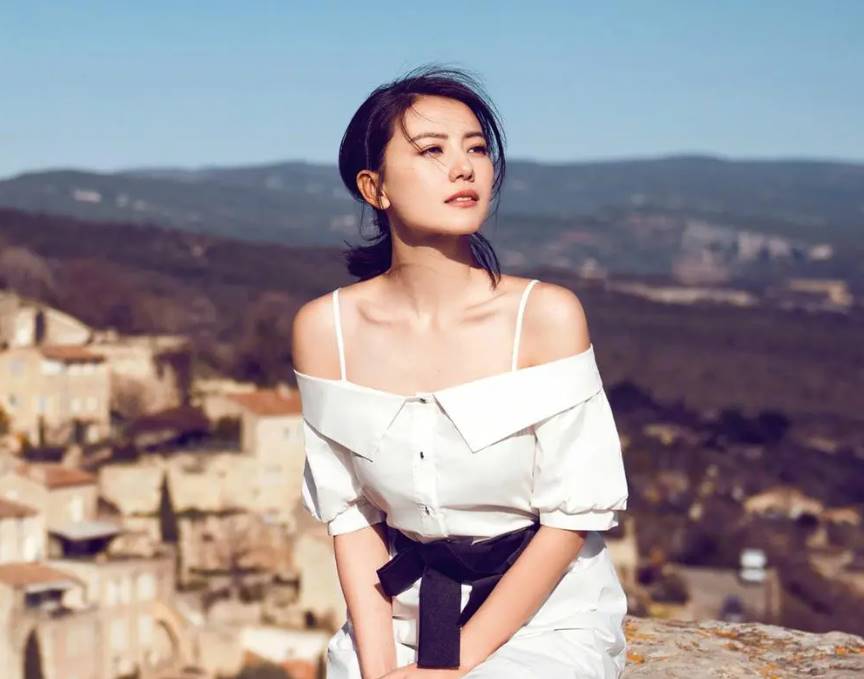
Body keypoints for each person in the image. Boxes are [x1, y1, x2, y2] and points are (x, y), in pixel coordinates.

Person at [291, 65, 629, 679]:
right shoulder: (325, 331)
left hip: (543, 619)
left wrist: (448, 666)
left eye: (476, 148)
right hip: (401, 614)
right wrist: (378, 670)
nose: (464, 168)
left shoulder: (545, 317)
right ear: (374, 187)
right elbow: (352, 518)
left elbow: (570, 519)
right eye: (432, 151)